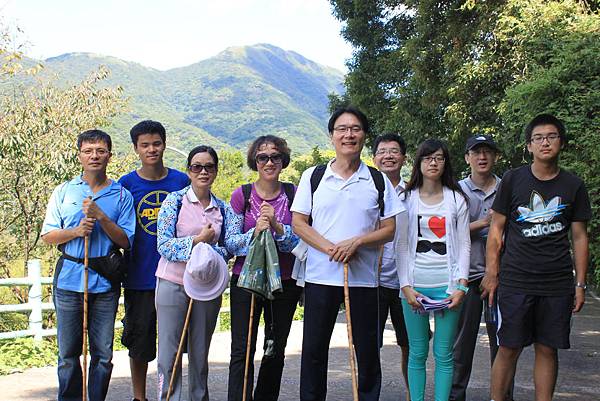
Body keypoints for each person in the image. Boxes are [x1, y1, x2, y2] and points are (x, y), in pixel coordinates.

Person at [292, 107, 403, 401]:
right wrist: (331, 248)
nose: (349, 134)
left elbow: (390, 228)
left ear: (364, 136)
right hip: (319, 277)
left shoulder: (377, 180)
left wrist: (357, 242)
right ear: (332, 136)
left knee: (366, 351)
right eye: (342, 129)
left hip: (364, 280)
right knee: (314, 351)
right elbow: (299, 223)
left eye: (355, 128)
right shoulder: (313, 176)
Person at [482, 114, 591, 401]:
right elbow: (497, 229)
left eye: (551, 136)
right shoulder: (513, 180)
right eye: (538, 138)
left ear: (561, 142)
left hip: (556, 283)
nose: (545, 142)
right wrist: (492, 273)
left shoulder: (573, 185)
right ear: (529, 145)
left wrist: (579, 284)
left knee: (547, 347)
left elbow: (579, 236)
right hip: (515, 280)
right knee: (508, 347)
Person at [41, 129, 135, 401]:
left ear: (109, 155)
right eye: (88, 151)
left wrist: (101, 217)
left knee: (103, 355)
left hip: (105, 283)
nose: (94, 156)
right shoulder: (64, 191)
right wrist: (76, 230)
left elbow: (127, 241)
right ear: (79, 155)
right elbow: (48, 235)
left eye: (100, 151)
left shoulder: (121, 195)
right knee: (69, 354)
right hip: (70, 280)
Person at [224, 135, 301, 401]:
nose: (269, 162)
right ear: (254, 161)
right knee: (241, 349)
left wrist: (279, 228)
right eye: (262, 157)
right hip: (245, 280)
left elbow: (302, 241)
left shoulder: (294, 194)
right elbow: (231, 243)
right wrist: (255, 232)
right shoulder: (241, 195)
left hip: (285, 281)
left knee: (275, 348)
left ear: (283, 161)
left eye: (275, 156)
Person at [119, 120, 189, 401]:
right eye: (145, 145)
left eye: (156, 143)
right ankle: (140, 397)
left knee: (175, 342)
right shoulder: (127, 184)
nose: (152, 149)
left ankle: (170, 393)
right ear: (136, 148)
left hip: (176, 274)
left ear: (164, 144)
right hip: (139, 276)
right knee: (139, 341)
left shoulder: (181, 181)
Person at [396, 138, 470, 401]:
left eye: (439, 157)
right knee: (417, 352)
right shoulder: (405, 199)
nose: (433, 162)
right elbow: (401, 245)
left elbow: (464, 244)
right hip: (415, 287)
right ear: (419, 163)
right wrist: (406, 288)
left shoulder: (456, 199)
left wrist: (461, 286)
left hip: (448, 287)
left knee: (444, 353)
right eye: (428, 157)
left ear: (446, 163)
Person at [155, 145, 229, 401]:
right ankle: (168, 397)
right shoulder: (173, 202)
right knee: (168, 351)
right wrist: (198, 241)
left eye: (209, 166)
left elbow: (227, 248)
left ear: (216, 171)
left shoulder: (223, 209)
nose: (203, 171)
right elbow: (163, 244)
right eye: (197, 166)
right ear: (189, 170)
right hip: (172, 282)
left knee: (200, 352)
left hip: (207, 287)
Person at [449, 134, 515, 401]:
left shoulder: (507, 187)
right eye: (476, 152)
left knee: (503, 344)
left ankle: (502, 396)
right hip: (466, 277)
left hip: (502, 277)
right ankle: (455, 396)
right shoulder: (456, 190)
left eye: (488, 151)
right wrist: (485, 223)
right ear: (467, 158)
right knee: (461, 345)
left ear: (496, 156)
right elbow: (447, 233)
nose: (482, 157)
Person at [371, 133, 410, 399]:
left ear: (404, 158)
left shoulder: (414, 193)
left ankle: (412, 392)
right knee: (369, 343)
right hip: (373, 280)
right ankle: (369, 392)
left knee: (411, 343)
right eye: (382, 151)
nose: (388, 156)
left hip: (407, 281)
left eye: (394, 151)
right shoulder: (367, 191)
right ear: (374, 158)